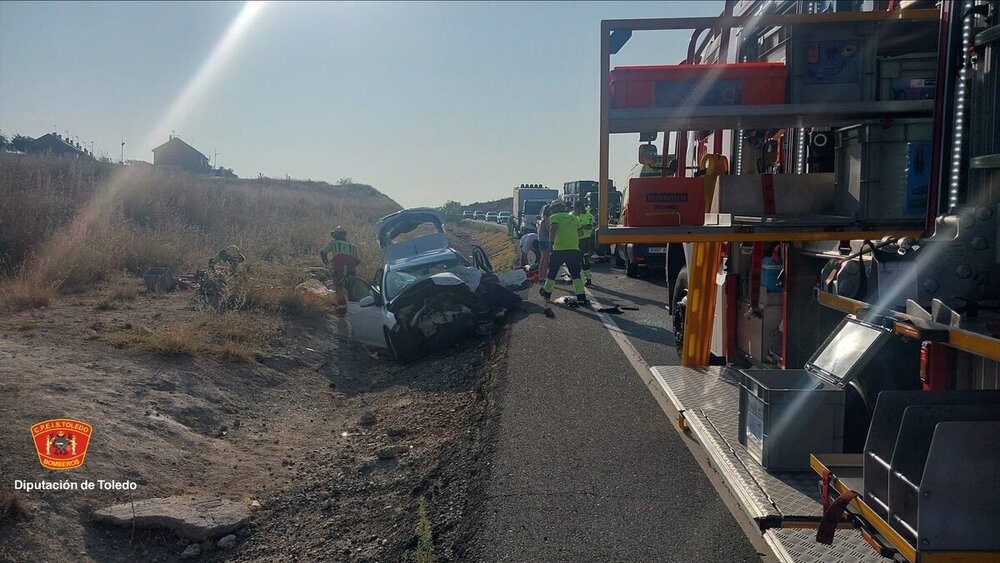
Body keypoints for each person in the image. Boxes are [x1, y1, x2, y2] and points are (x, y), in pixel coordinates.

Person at [539, 200, 587, 309]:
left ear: (554, 209)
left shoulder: (554, 217)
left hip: (559, 249)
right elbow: (581, 233)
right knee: (575, 274)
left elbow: (553, 229)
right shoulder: (573, 217)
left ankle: (547, 292)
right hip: (574, 249)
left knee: (552, 272)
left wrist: (551, 242)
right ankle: (581, 297)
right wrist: (571, 238)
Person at [320, 227, 361, 314]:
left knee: (339, 289)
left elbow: (323, 252)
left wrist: (327, 264)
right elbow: (358, 260)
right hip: (351, 270)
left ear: (334, 235)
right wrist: (351, 266)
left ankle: (342, 310)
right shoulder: (353, 246)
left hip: (338, 268)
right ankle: (353, 310)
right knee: (351, 290)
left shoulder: (333, 243)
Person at [573, 200, 595, 286]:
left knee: (584, 259)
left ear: (580, 208)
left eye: (576, 209)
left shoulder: (588, 215)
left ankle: (588, 278)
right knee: (574, 259)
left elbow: (589, 226)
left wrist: (579, 226)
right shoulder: (573, 215)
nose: (574, 210)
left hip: (584, 240)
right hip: (574, 239)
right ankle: (576, 277)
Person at [536, 204, 553, 284]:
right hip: (545, 241)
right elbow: (548, 228)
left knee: (542, 260)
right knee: (546, 260)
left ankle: (541, 277)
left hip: (541, 240)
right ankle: (543, 278)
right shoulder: (546, 218)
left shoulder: (543, 218)